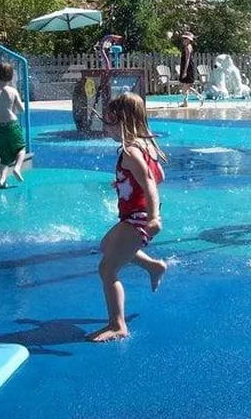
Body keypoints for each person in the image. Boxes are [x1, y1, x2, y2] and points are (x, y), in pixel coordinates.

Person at [87, 92, 168, 342]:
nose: (107, 128)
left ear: (122, 121)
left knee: (107, 268)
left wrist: (154, 217)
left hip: (139, 219)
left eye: (109, 122)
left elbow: (151, 183)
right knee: (106, 246)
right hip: (136, 216)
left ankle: (117, 325)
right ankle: (154, 266)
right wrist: (124, 182)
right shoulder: (148, 146)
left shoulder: (131, 151)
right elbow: (160, 175)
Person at [0, 62, 26, 188]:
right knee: (20, 149)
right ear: (11, 77)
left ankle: (2, 179)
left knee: (4, 155)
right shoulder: (12, 91)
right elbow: (21, 109)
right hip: (12, 125)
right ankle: (17, 168)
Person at [178, 31, 196, 107]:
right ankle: (186, 102)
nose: (184, 40)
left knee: (185, 87)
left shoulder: (188, 47)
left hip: (188, 67)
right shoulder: (187, 47)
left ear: (189, 40)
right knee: (186, 86)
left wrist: (185, 71)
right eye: (184, 38)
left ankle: (197, 96)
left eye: (186, 39)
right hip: (186, 66)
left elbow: (187, 59)